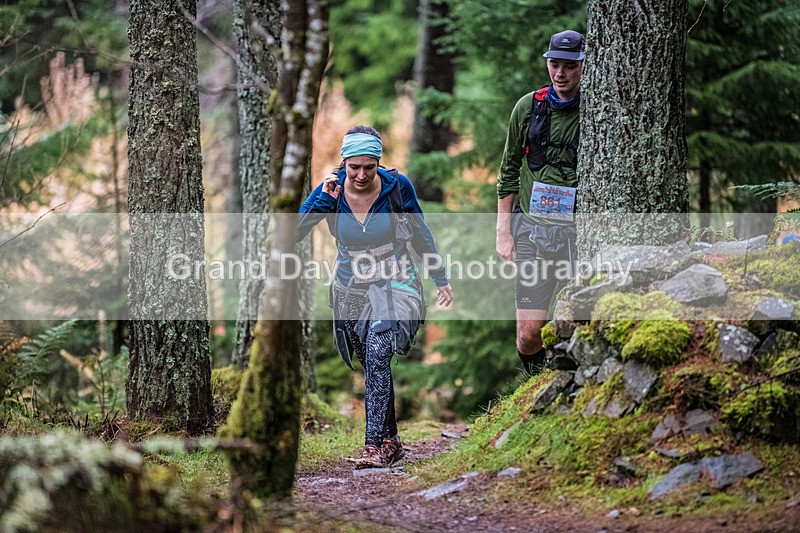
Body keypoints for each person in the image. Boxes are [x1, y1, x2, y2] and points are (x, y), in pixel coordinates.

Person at [298, 125, 453, 469]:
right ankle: (391, 440)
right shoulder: (331, 190)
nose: (361, 175)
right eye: (354, 167)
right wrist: (324, 201)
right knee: (372, 361)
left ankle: (373, 447)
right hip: (350, 287)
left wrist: (439, 276)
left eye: (369, 167)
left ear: (378, 162)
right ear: (344, 162)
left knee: (379, 349)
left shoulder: (398, 187)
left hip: (397, 281)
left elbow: (421, 232)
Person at [495, 30, 584, 375]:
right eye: (554, 64)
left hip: (579, 234)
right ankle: (536, 383)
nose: (560, 73)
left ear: (583, 67)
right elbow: (508, 170)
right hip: (533, 232)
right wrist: (503, 231)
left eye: (569, 66)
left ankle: (567, 386)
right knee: (529, 334)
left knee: (581, 321)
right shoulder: (528, 107)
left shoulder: (598, 110)